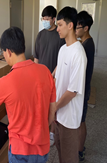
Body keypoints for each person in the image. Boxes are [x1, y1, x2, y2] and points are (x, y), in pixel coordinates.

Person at [0, 27, 56, 163]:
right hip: (42, 147)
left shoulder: (6, 81)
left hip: (20, 151)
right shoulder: (46, 72)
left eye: (3, 53)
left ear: (8, 51)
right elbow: (52, 112)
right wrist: (40, 131)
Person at [55, 7, 87, 163]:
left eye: (60, 25)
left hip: (69, 118)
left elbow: (72, 91)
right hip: (59, 114)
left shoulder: (78, 54)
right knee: (60, 151)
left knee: (69, 157)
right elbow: (59, 72)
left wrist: (54, 106)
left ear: (70, 25)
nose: (57, 29)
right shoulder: (62, 49)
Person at [34, 6, 65, 146]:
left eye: (47, 19)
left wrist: (54, 75)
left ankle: (52, 133)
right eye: (43, 19)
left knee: (53, 105)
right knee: (40, 104)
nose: (45, 21)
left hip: (54, 78)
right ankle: (41, 129)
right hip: (40, 77)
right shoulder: (40, 35)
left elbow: (62, 59)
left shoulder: (59, 36)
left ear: (54, 19)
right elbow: (36, 57)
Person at [76, 11, 95, 162]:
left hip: (83, 89)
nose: (75, 30)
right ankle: (80, 146)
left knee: (81, 121)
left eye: (78, 27)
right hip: (83, 88)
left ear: (86, 28)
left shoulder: (87, 45)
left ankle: (80, 151)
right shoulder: (85, 42)